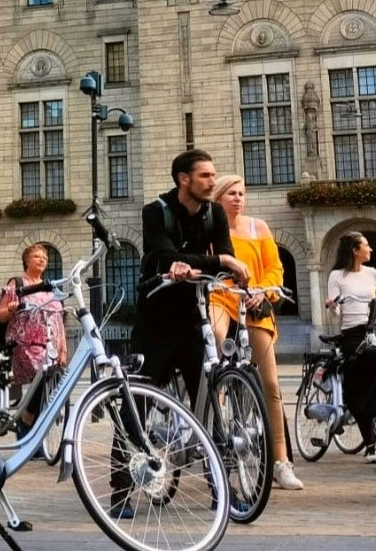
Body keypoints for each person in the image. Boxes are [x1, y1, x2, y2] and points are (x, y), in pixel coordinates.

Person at [113, 149, 249, 519]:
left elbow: (225, 260)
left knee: (210, 407)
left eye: (213, 174)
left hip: (192, 316)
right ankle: (120, 493)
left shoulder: (214, 213)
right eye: (205, 175)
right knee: (135, 403)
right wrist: (219, 262)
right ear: (183, 179)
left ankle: (223, 491)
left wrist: (212, 264)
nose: (212, 181)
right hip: (155, 321)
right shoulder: (155, 212)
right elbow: (164, 255)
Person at [209, 175, 302, 490]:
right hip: (221, 298)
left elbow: (275, 268)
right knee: (217, 341)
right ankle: (218, 408)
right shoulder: (210, 231)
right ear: (219, 198)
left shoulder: (257, 227)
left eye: (242, 193)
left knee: (271, 384)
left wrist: (264, 291)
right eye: (231, 194)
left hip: (254, 302)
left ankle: (281, 462)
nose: (238, 198)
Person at [0, 243, 68, 439]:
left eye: (45, 257)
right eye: (37, 256)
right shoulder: (17, 284)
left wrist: (63, 350)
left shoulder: (50, 289)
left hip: (50, 347)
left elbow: (58, 321)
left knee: (53, 380)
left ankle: (32, 433)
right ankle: (26, 421)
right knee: (44, 375)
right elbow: (0, 315)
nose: (42, 259)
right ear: (27, 261)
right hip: (24, 344)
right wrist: (11, 309)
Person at [325, 230, 376, 463]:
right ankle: (370, 443)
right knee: (360, 386)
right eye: (366, 245)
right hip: (352, 332)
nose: (370, 249)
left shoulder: (373, 273)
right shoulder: (337, 276)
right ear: (355, 250)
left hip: (375, 328)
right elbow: (335, 310)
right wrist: (333, 306)